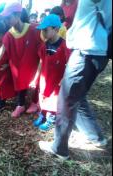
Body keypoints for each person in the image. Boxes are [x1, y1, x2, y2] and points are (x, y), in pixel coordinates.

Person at [39, 0, 112, 160]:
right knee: (78, 98)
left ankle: (59, 148)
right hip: (95, 52)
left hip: (86, 51)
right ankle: (95, 136)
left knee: (66, 100)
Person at [0, 2, 41, 118]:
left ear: (18, 15)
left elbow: (43, 43)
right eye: (5, 18)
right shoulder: (9, 35)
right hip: (19, 65)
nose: (7, 21)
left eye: (9, 18)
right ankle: (20, 105)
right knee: (20, 81)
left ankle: (35, 103)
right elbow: (2, 50)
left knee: (36, 83)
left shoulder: (33, 29)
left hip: (33, 64)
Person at [30, 14, 71, 132]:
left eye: (45, 30)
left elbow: (70, 63)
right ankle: (42, 115)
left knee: (53, 99)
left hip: (56, 80)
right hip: (45, 78)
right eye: (42, 30)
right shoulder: (44, 45)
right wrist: (35, 78)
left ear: (56, 29)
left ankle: (51, 119)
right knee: (42, 96)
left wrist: (65, 77)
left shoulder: (64, 46)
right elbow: (41, 61)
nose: (42, 32)